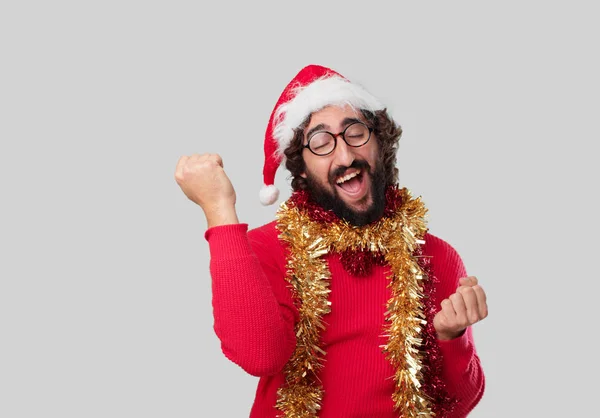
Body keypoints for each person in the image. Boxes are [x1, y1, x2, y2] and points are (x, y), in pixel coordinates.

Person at [174, 64, 488, 417]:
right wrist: (219, 210)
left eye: (355, 133)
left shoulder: (435, 256)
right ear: (302, 168)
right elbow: (259, 355)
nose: (345, 156)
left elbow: (460, 405)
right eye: (321, 143)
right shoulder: (269, 248)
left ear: (379, 141)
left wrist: (451, 339)